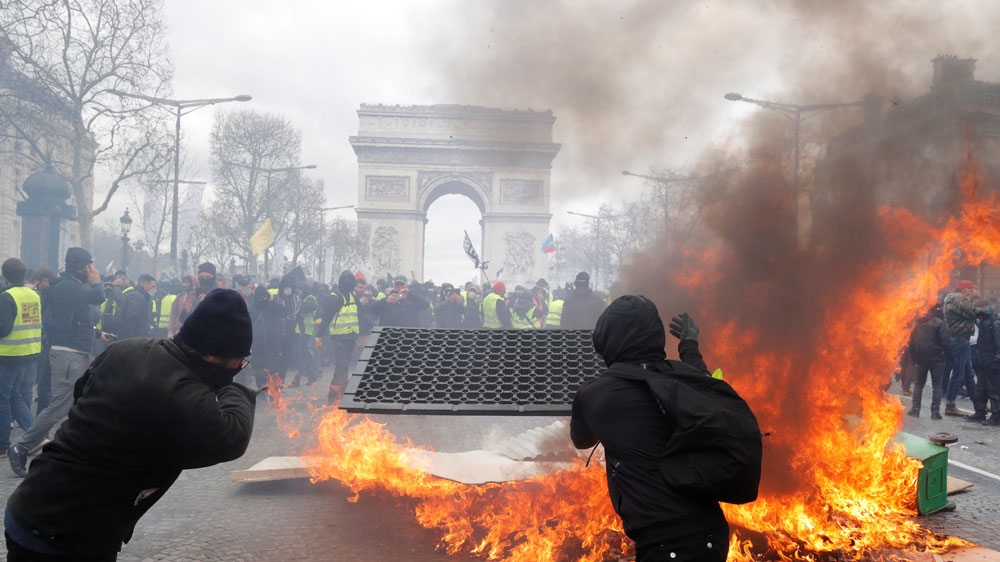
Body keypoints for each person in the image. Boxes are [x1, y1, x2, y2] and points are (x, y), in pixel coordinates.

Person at [4, 288, 258, 560]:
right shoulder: (183, 394)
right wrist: (236, 388)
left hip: (35, 506)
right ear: (213, 358)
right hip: (64, 534)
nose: (240, 367)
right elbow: (233, 437)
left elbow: (81, 392)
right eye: (240, 361)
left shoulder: (125, 348)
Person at [570, 296, 728, 562]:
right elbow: (704, 381)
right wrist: (689, 345)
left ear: (608, 339)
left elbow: (581, 439)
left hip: (666, 543)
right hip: (713, 532)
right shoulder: (685, 379)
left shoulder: (596, 394)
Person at [9, 248, 108, 477]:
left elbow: (82, 319)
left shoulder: (72, 286)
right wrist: (97, 282)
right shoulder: (68, 287)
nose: (92, 270)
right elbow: (98, 297)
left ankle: (79, 450)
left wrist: (96, 333)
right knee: (59, 406)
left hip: (77, 352)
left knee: (85, 401)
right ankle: (21, 446)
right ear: (80, 267)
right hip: (68, 354)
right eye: (89, 266)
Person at [0, 258, 40, 459]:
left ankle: (2, 444)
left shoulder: (7, 297)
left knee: (2, 399)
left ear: (4, 275)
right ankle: (36, 435)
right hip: (28, 350)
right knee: (15, 396)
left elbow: (3, 328)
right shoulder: (33, 295)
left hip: (8, 354)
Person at [315, 271, 361, 403]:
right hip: (339, 338)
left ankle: (342, 394)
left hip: (351, 337)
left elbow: (360, 316)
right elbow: (327, 318)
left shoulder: (354, 297)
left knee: (345, 367)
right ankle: (333, 395)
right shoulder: (334, 297)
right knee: (341, 367)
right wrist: (319, 336)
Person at [943, 280, 979, 416]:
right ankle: (950, 405)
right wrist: (983, 311)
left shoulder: (954, 299)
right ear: (964, 290)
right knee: (958, 373)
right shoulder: (960, 299)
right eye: (970, 290)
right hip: (960, 341)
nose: (973, 292)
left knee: (968, 373)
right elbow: (975, 313)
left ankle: (978, 403)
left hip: (961, 341)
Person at [906, 304, 948, 420]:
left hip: (920, 358)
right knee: (937, 385)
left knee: (918, 384)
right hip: (937, 358)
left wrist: (914, 359)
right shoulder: (939, 323)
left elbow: (911, 343)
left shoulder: (917, 324)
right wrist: (947, 355)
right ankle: (935, 413)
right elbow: (945, 341)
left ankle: (915, 410)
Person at [29, 268, 57, 414]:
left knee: (44, 386)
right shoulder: (58, 292)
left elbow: (49, 320)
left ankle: (41, 425)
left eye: (38, 284)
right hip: (55, 344)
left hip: (50, 344)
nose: (37, 288)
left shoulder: (49, 295)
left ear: (45, 280)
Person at [116, 274, 156, 340]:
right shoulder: (137, 298)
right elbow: (132, 320)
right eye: (153, 286)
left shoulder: (135, 295)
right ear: (146, 285)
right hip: (134, 339)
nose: (153, 289)